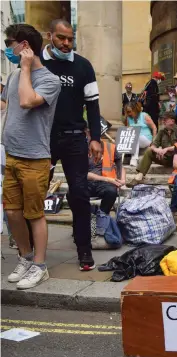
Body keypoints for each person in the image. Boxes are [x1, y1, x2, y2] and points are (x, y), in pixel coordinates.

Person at [2, 23, 61, 288]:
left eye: (10, 43)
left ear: (25, 46)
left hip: (35, 158)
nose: (7, 49)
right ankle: (25, 257)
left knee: (34, 213)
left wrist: (25, 68)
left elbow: (26, 101)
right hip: (11, 156)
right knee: (12, 212)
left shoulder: (49, 80)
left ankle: (39, 265)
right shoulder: (14, 76)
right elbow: (8, 104)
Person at [42, 19, 101, 272]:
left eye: (70, 38)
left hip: (75, 137)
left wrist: (96, 138)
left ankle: (84, 249)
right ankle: (30, 249)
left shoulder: (83, 66)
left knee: (79, 193)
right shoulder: (38, 63)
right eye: (61, 38)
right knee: (36, 191)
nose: (66, 43)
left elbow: (93, 105)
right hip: (43, 138)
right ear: (49, 36)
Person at [128, 112, 177, 186]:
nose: (163, 122)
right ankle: (140, 176)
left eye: (165, 120)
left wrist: (167, 149)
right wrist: (157, 150)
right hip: (165, 158)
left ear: (172, 120)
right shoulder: (162, 131)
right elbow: (153, 145)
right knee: (149, 151)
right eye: (163, 120)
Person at [87, 139, 125, 214]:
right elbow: (82, 173)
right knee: (71, 193)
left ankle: (102, 215)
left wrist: (122, 179)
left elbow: (120, 167)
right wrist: (108, 179)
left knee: (111, 192)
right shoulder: (82, 147)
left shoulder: (110, 147)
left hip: (105, 184)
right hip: (86, 183)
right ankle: (82, 217)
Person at [123, 101, 158, 167]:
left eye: (130, 111)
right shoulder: (128, 118)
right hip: (135, 139)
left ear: (135, 109)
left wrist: (154, 142)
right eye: (127, 112)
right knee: (133, 136)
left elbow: (154, 128)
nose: (128, 113)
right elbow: (128, 130)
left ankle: (134, 159)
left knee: (135, 136)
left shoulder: (144, 115)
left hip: (146, 138)